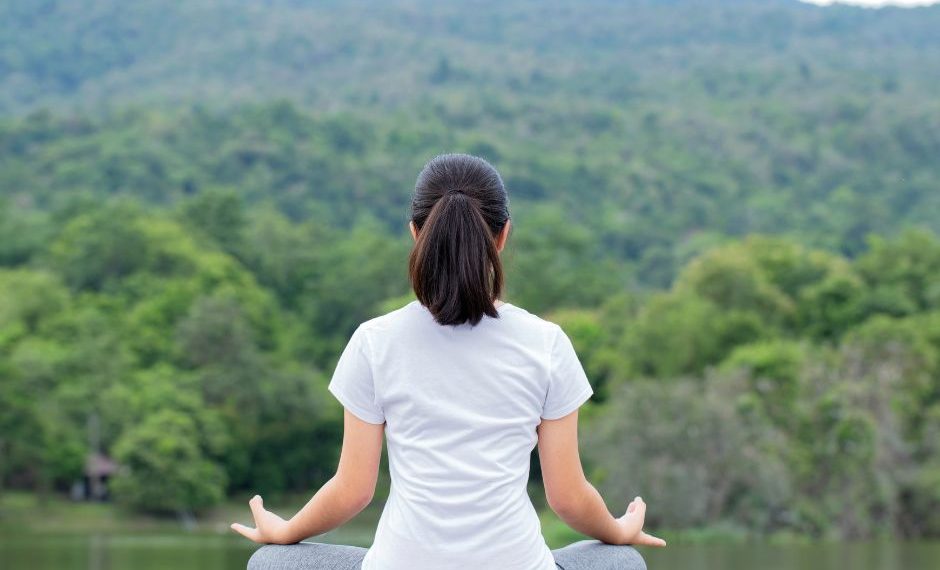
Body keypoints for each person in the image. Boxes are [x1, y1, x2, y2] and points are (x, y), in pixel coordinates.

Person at [231, 153, 666, 569]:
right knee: (620, 559)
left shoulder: (374, 341)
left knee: (270, 561)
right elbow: (568, 499)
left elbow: (352, 491)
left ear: (416, 233)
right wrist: (619, 529)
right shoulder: (546, 343)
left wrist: (286, 531)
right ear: (503, 235)